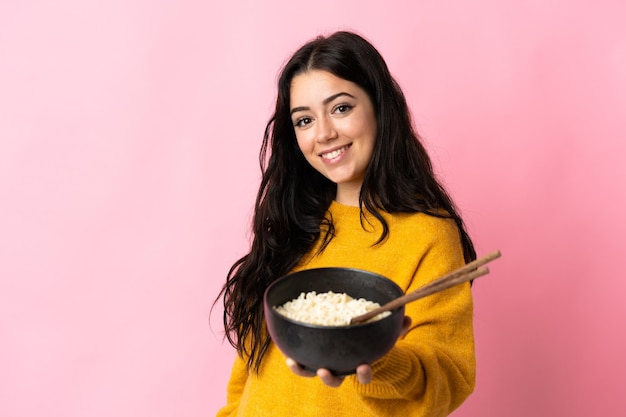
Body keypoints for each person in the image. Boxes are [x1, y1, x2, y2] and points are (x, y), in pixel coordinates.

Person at [215, 30, 477, 417]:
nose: (323, 134)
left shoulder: (427, 235)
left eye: (340, 108)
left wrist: (378, 358)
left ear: (379, 107)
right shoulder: (291, 225)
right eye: (304, 120)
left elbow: (447, 380)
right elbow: (249, 373)